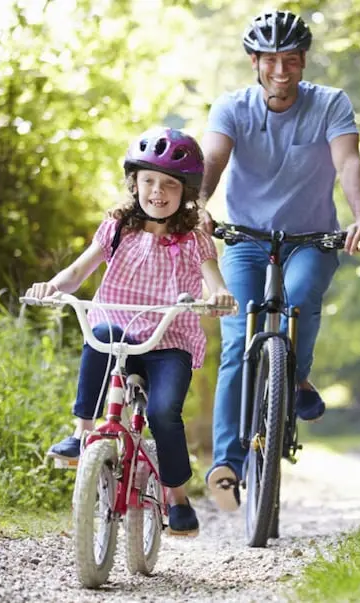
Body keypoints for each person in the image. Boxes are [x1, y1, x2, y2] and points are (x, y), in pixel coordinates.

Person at [199, 9, 360, 512]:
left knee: (299, 300)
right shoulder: (231, 107)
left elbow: (348, 161)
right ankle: (227, 465)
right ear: (255, 62)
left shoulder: (330, 104)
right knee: (238, 337)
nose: (282, 71)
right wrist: (198, 206)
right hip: (246, 238)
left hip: (312, 237)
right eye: (272, 61)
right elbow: (213, 159)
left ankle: (294, 374)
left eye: (292, 61)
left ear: (303, 63)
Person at [27, 127, 236, 537]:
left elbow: (215, 281)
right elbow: (77, 272)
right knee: (98, 332)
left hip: (167, 341)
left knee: (162, 413)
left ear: (186, 191)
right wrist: (51, 287)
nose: (157, 191)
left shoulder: (194, 238)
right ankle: (82, 432)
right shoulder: (118, 227)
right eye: (149, 181)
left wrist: (221, 296)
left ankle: (176, 497)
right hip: (119, 334)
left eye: (169, 184)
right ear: (134, 183)